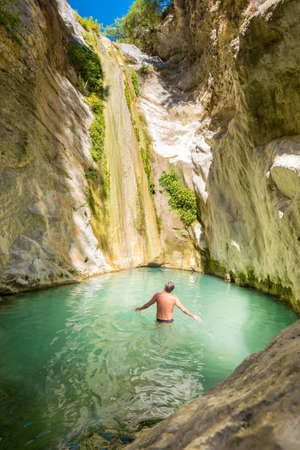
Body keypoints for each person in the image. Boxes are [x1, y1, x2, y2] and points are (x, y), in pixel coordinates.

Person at [135, 280, 201, 323]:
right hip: (169, 320)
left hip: (160, 320)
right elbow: (183, 309)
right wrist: (193, 316)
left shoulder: (158, 295)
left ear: (164, 287)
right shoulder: (174, 298)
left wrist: (139, 308)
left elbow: (147, 305)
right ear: (172, 290)